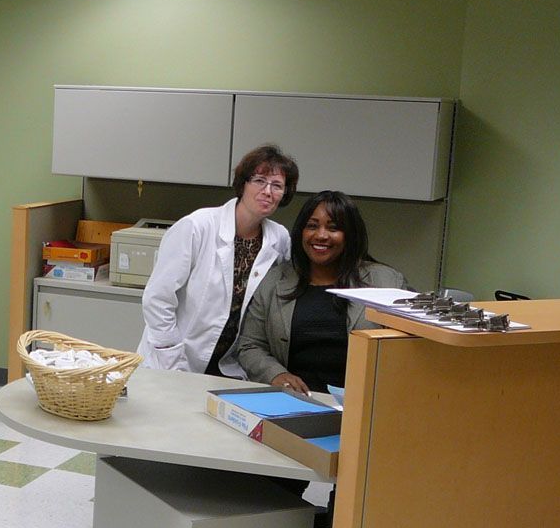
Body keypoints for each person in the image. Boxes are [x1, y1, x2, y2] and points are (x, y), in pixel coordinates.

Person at [137, 145, 300, 377]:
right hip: (178, 357)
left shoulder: (280, 238)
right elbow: (157, 298)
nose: (268, 191)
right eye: (259, 181)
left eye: (277, 185)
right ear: (243, 183)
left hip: (230, 364)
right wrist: (169, 353)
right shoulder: (197, 226)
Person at [236, 190, 408, 394]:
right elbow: (250, 345)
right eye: (312, 226)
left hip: (362, 403)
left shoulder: (386, 281)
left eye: (333, 228)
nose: (321, 235)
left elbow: (409, 349)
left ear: (350, 235)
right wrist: (275, 375)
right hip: (294, 401)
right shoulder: (275, 280)